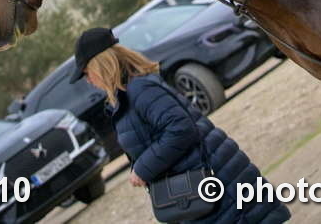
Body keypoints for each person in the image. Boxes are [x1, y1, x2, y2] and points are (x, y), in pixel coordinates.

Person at [69, 26, 291, 224]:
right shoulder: (127, 96)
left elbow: (181, 129)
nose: (88, 80)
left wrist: (143, 168)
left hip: (222, 188)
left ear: (102, 65)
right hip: (202, 191)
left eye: (87, 73)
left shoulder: (140, 90)